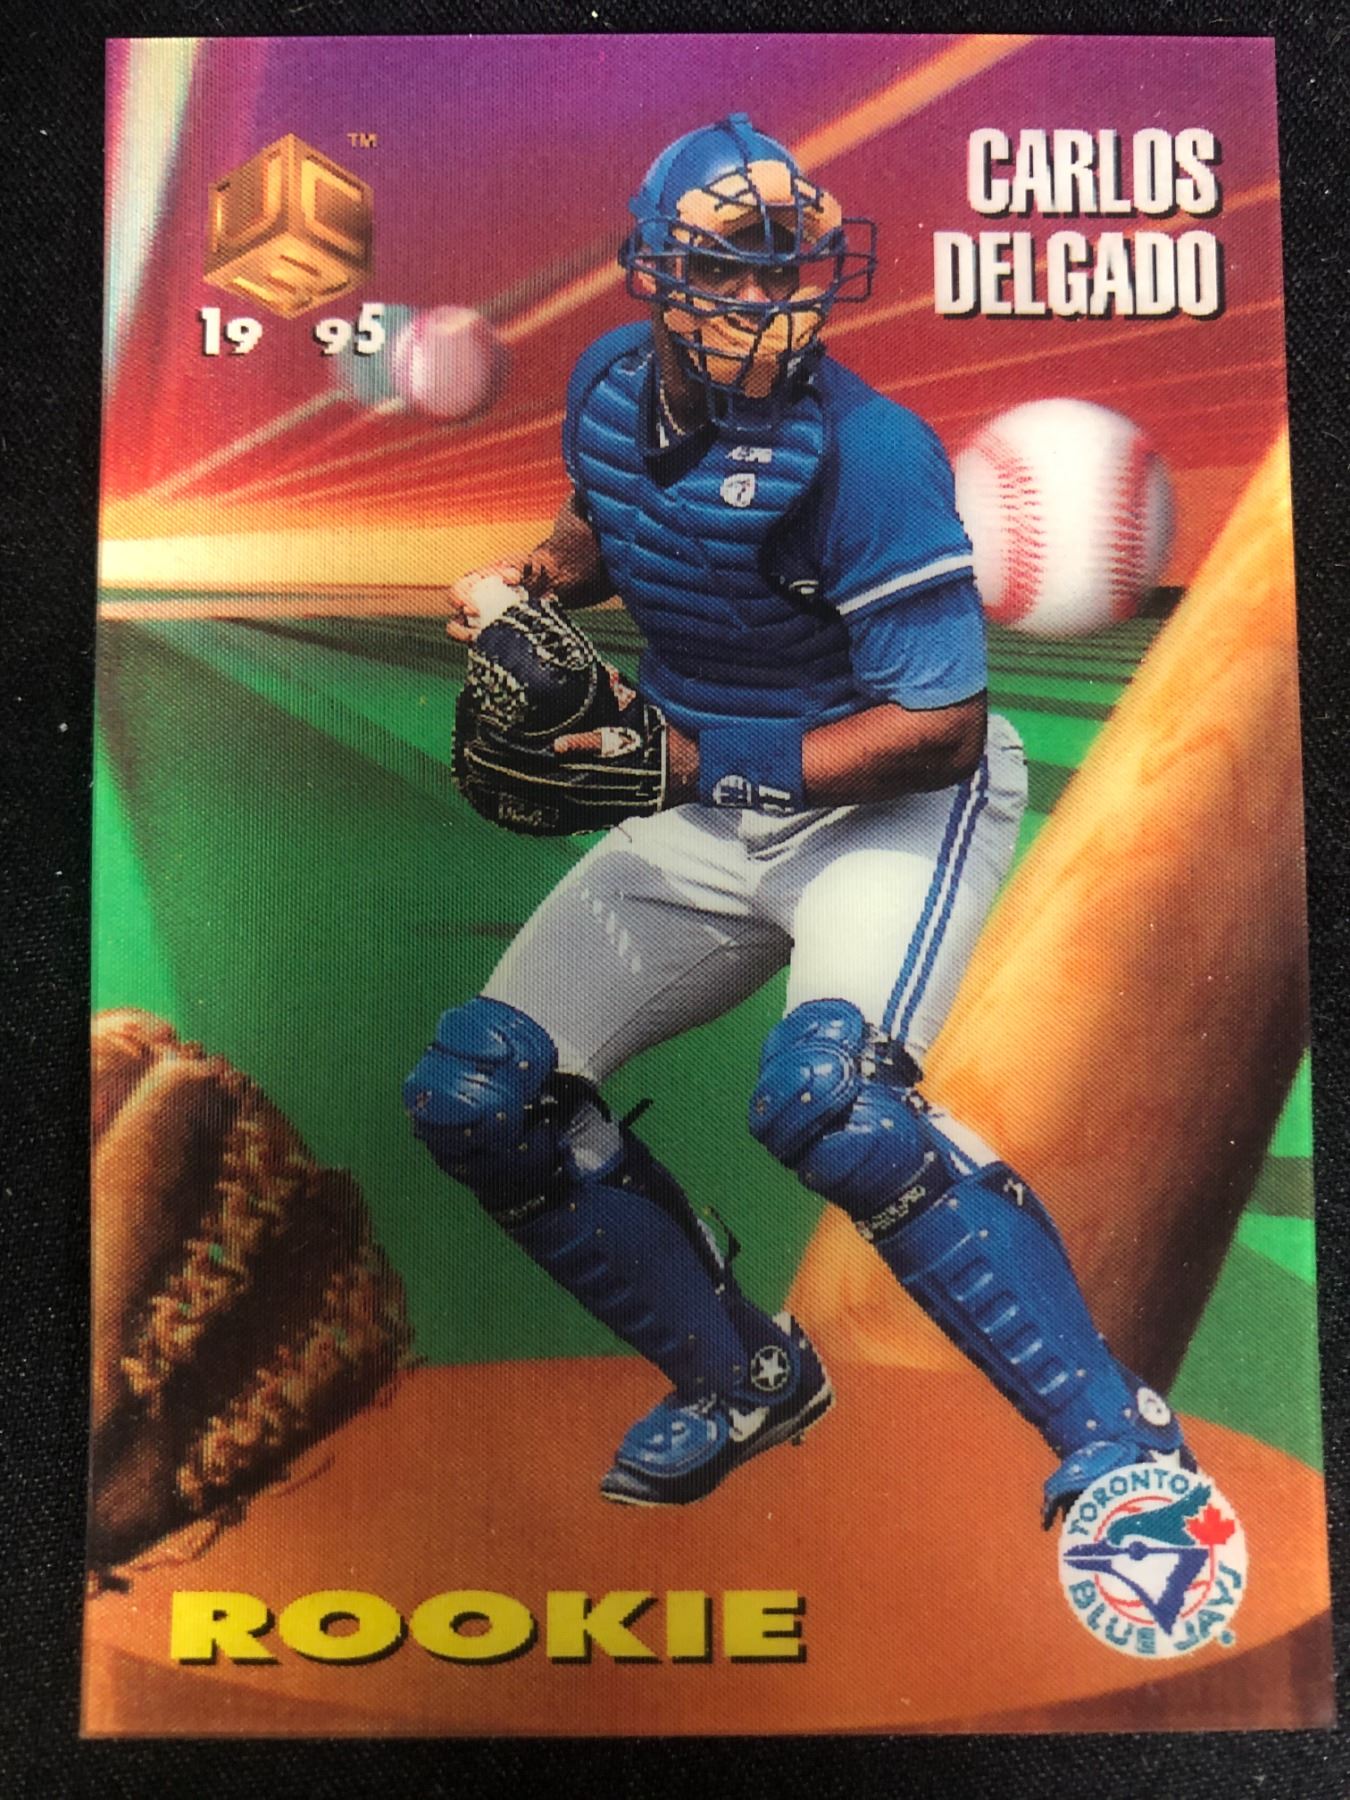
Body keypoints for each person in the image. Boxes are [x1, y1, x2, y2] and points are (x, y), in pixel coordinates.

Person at [405, 114, 1193, 1522]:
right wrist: (529, 582)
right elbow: (611, 522)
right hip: (699, 788)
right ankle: (743, 1377)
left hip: (888, 807)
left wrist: (691, 761)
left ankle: (1118, 1441)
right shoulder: (606, 384)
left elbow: (937, 728)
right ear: (654, 274)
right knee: (480, 1096)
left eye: (790, 267)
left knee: (834, 1103)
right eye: (731, 268)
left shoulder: (871, 455)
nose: (769, 299)